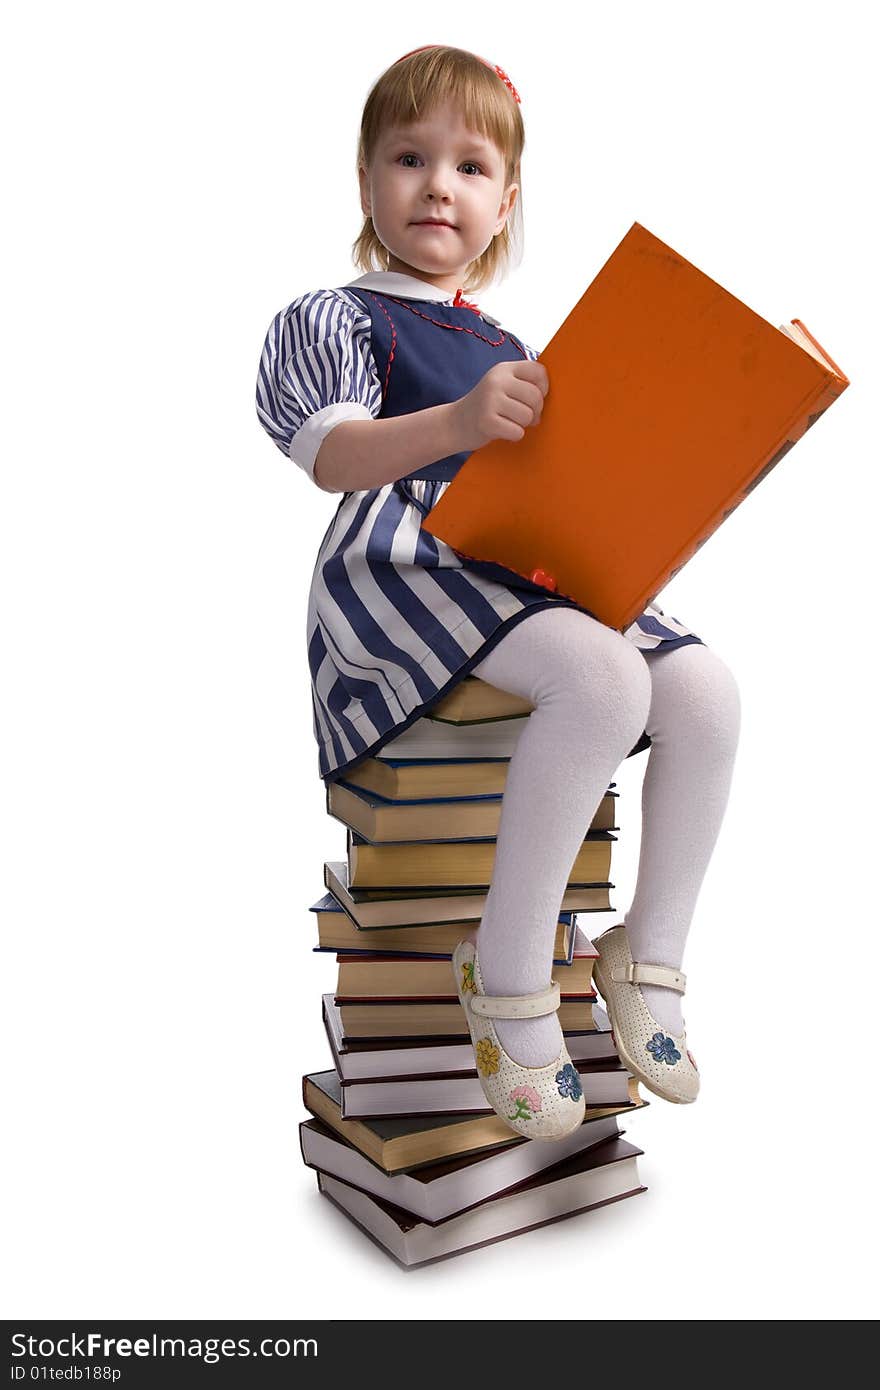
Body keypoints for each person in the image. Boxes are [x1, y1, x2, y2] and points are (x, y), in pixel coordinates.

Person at [255, 45, 741, 1141]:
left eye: (471, 167)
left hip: (519, 558)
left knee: (707, 690)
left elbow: (559, 485)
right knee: (601, 679)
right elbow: (334, 458)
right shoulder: (338, 316)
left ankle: (647, 953)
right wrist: (463, 424)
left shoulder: (515, 346)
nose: (438, 185)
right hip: (407, 561)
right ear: (366, 183)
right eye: (409, 158)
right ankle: (511, 976)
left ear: (505, 202)